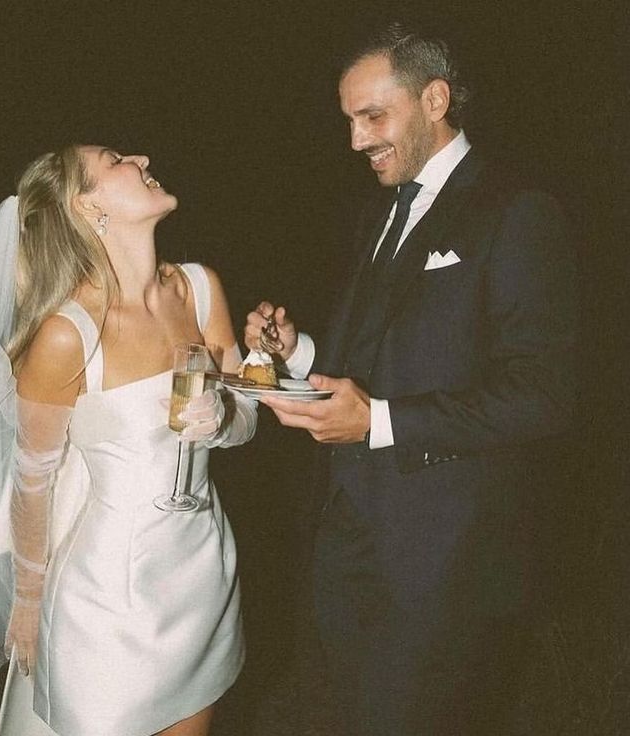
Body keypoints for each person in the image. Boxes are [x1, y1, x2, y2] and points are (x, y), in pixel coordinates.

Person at [245, 22, 575, 736]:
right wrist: (296, 351)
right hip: (352, 541)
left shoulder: (516, 211)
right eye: (349, 121)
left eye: (373, 116)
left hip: (443, 565)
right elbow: (370, 366)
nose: (357, 140)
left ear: (434, 98)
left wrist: (382, 422)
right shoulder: (380, 210)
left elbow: (543, 396)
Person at [0, 144, 257, 736]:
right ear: (88, 207)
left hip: (204, 568)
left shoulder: (200, 289)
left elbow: (244, 420)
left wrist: (222, 416)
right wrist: (28, 603)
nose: (139, 156)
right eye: (115, 159)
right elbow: (32, 481)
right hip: (107, 598)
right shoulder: (66, 336)